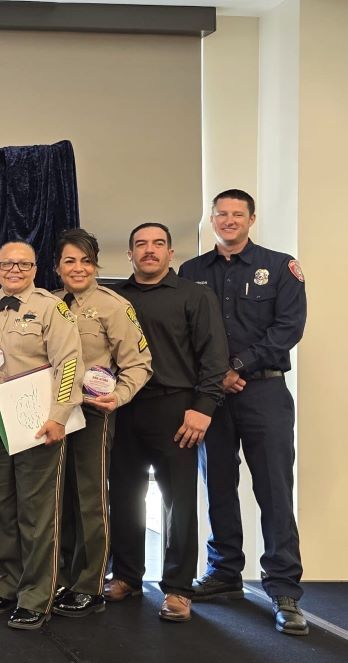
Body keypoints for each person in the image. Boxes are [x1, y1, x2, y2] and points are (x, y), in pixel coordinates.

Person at [178, 189, 309, 635]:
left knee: (274, 487)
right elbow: (184, 336)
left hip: (263, 393)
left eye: (238, 214)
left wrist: (236, 368)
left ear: (252, 219)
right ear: (211, 219)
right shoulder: (191, 272)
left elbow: (288, 329)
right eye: (222, 214)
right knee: (217, 483)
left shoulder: (280, 267)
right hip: (211, 397)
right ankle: (224, 571)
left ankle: (284, 588)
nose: (229, 220)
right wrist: (217, 379)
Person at [109, 223, 228, 623]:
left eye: (158, 244)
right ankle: (126, 575)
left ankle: (177, 589)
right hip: (123, 408)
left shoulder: (195, 296)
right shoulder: (114, 298)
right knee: (123, 496)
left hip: (177, 409)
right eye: (140, 244)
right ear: (129, 254)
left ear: (170, 253)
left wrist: (204, 407)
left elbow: (214, 357)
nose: (149, 250)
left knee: (178, 503)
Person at [0, 240, 83, 631]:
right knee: (1, 504)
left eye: (23, 264)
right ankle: (8, 583)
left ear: (36, 269)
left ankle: (37, 595)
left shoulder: (52, 308)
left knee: (36, 511)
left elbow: (69, 364)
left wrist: (59, 416)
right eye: (6, 264)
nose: (14, 270)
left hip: (38, 419)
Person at [50, 229, 152, 618]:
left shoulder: (114, 306)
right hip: (55, 414)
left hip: (93, 413)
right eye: (69, 261)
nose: (78, 268)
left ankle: (90, 584)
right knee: (59, 499)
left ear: (96, 265)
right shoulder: (50, 304)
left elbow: (139, 364)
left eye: (86, 261)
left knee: (91, 498)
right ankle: (60, 578)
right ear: (57, 267)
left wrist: (119, 397)